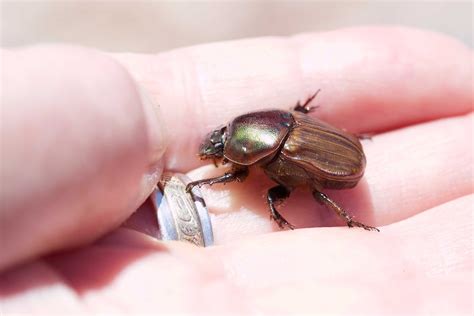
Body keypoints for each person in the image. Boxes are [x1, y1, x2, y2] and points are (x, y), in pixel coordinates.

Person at [1, 27, 472, 314]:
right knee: (279, 194)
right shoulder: (277, 126)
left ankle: (347, 218)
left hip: (340, 162)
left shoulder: (274, 151)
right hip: (327, 141)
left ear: (252, 142)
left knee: (292, 195)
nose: (222, 149)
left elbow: (237, 172)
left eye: (228, 145)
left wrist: (204, 183)